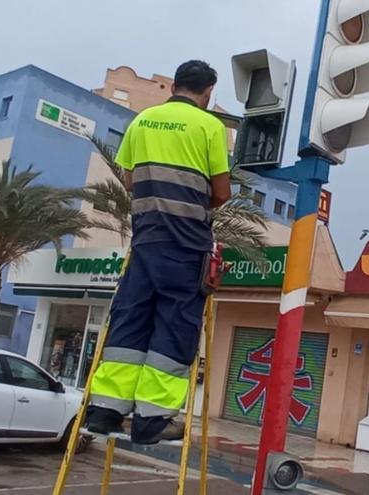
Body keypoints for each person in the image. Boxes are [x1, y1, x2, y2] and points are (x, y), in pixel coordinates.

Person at [84, 60, 231, 444]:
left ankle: (105, 412)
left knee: (130, 319)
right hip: (185, 244)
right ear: (208, 92)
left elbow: (131, 180)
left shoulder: (143, 121)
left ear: (175, 86)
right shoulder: (210, 126)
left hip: (145, 239)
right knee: (175, 324)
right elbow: (221, 192)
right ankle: (152, 420)